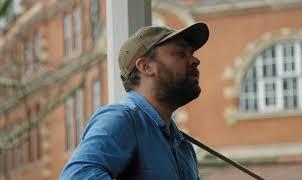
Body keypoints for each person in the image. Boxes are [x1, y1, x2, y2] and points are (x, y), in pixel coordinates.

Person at [60, 22, 209, 180]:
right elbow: (76, 176)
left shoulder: (182, 145)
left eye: (191, 53)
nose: (195, 60)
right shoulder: (121, 119)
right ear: (145, 66)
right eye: (180, 53)